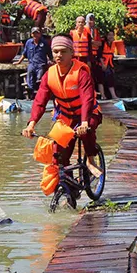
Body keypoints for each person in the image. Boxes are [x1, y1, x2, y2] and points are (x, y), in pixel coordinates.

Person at [22, 36, 103, 176]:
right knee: (58, 153)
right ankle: (69, 190)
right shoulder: (49, 75)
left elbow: (87, 98)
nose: (59, 55)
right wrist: (31, 124)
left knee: (87, 130)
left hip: (88, 114)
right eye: (55, 51)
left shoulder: (81, 73)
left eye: (63, 51)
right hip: (65, 116)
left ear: (72, 52)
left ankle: (90, 160)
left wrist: (84, 122)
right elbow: (40, 101)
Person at [16, 26, 52, 97]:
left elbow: (49, 53)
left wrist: (52, 61)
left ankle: (39, 92)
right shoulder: (29, 42)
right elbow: (24, 53)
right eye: (34, 34)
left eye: (37, 33)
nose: (35, 35)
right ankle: (31, 92)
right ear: (31, 34)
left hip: (41, 64)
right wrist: (19, 62)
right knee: (30, 73)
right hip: (32, 63)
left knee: (40, 78)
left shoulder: (44, 43)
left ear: (40, 34)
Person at [85, 13, 104, 92]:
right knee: (89, 75)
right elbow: (87, 42)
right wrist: (93, 42)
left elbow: (100, 43)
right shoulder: (85, 30)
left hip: (96, 56)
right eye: (90, 20)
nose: (91, 22)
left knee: (98, 76)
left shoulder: (96, 31)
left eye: (93, 20)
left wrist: (93, 42)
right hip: (87, 56)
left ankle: (101, 94)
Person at [98, 31, 119, 100]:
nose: (111, 37)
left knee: (110, 79)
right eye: (109, 35)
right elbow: (99, 55)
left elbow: (112, 54)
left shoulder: (113, 43)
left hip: (109, 64)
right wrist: (103, 64)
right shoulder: (103, 43)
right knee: (101, 80)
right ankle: (103, 95)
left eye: (112, 35)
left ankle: (113, 95)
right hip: (102, 63)